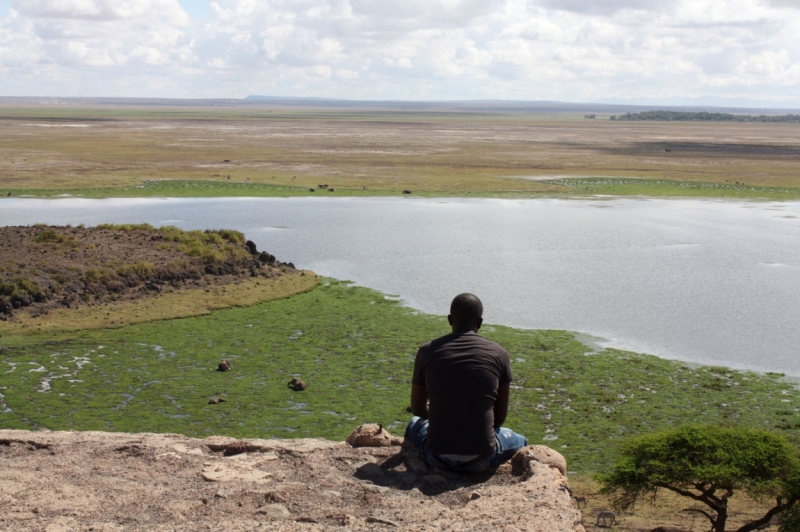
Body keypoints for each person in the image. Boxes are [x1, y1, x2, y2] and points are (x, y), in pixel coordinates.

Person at [405, 293, 528, 473]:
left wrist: (442, 412)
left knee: (413, 423)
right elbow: (499, 419)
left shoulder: (426, 351)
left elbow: (417, 410)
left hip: (436, 456)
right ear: (479, 322)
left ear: (449, 319)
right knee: (521, 440)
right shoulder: (499, 354)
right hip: (481, 459)